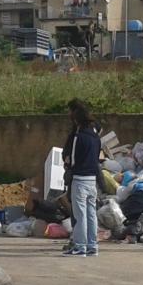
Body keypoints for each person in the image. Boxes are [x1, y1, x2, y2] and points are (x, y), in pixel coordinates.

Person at [63, 106, 101, 257]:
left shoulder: (78, 137)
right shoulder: (95, 137)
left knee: (80, 215)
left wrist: (68, 164)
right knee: (92, 214)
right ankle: (93, 245)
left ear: (77, 120)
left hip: (79, 179)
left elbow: (72, 159)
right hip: (92, 179)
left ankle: (80, 246)